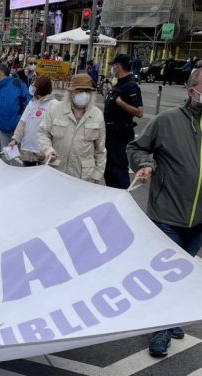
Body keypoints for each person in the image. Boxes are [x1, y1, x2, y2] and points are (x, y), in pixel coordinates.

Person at [127, 68, 202, 358]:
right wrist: (145, 164)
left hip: (199, 221)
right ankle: (161, 328)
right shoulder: (166, 121)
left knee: (183, 276)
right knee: (168, 276)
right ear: (190, 89)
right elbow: (136, 148)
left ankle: (170, 321)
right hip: (167, 212)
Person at [39, 74, 106, 182]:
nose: (84, 94)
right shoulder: (57, 109)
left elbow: (100, 150)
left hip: (83, 176)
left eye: (87, 91)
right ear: (70, 92)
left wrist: (97, 175)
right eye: (79, 90)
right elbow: (42, 133)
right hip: (57, 171)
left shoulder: (97, 115)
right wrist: (48, 150)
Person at [103, 54, 144, 189]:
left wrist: (121, 103)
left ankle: (121, 196)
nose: (113, 68)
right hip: (110, 133)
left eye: (114, 65)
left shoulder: (131, 86)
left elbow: (139, 112)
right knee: (109, 169)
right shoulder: (119, 84)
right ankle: (111, 193)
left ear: (118, 66)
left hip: (121, 134)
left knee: (119, 169)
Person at [9, 76, 59, 166]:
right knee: (27, 176)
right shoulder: (32, 102)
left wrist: (50, 149)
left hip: (43, 150)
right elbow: (22, 123)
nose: (31, 86)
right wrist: (15, 139)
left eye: (34, 85)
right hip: (28, 147)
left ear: (41, 87)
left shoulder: (54, 104)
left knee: (41, 178)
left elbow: (56, 129)